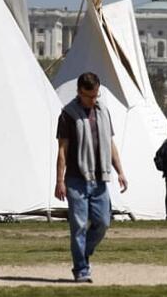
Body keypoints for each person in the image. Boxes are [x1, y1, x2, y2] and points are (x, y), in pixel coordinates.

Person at [55, 72, 128, 282]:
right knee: (78, 225)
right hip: (77, 178)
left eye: (96, 95)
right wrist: (59, 180)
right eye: (89, 96)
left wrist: (120, 170)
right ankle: (81, 269)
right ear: (79, 92)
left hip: (99, 178)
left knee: (103, 222)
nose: (93, 100)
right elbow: (62, 149)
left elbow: (110, 143)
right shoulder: (68, 114)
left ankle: (83, 252)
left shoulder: (103, 111)